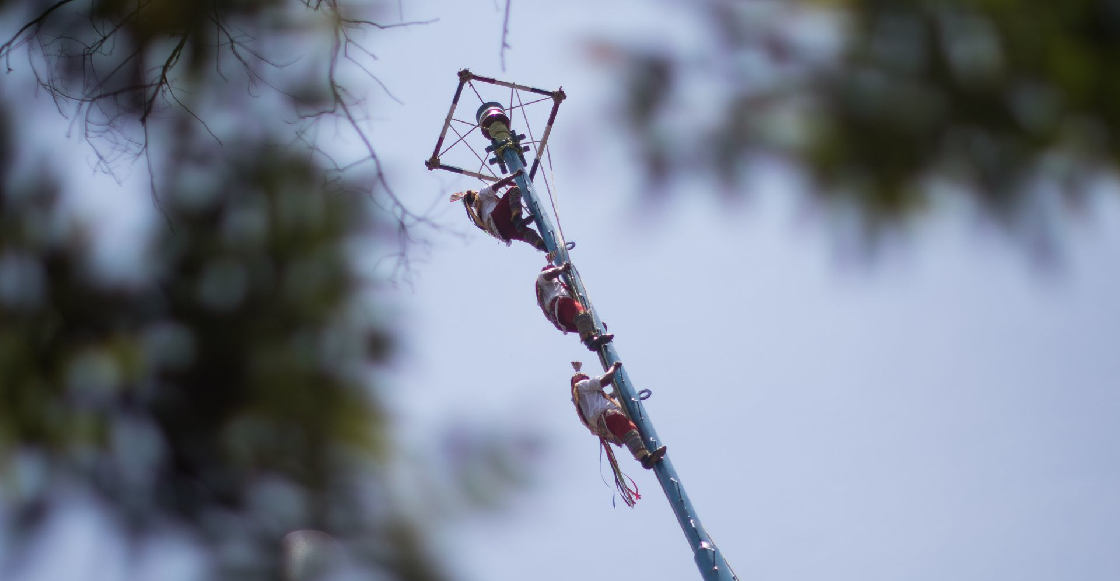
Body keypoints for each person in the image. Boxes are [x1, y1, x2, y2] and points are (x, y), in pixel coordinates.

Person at [571, 361, 666, 470]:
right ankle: (645, 458)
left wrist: (614, 394)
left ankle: (646, 454)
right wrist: (614, 367)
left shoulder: (583, 400)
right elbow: (605, 380)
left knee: (631, 431)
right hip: (609, 418)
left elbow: (602, 398)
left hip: (606, 427)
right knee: (628, 429)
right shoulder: (581, 385)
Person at [450, 179, 547, 252]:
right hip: (497, 217)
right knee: (514, 190)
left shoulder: (478, 216)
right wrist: (514, 176)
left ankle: (545, 248)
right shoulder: (481, 194)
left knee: (527, 234)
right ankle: (517, 220)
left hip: (502, 232)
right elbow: (497, 185)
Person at [535, 261, 613, 350]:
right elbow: (549, 274)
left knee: (591, 323)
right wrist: (562, 268)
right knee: (580, 313)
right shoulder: (541, 279)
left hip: (561, 317)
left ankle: (595, 337)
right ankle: (591, 341)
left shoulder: (560, 285)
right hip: (559, 305)